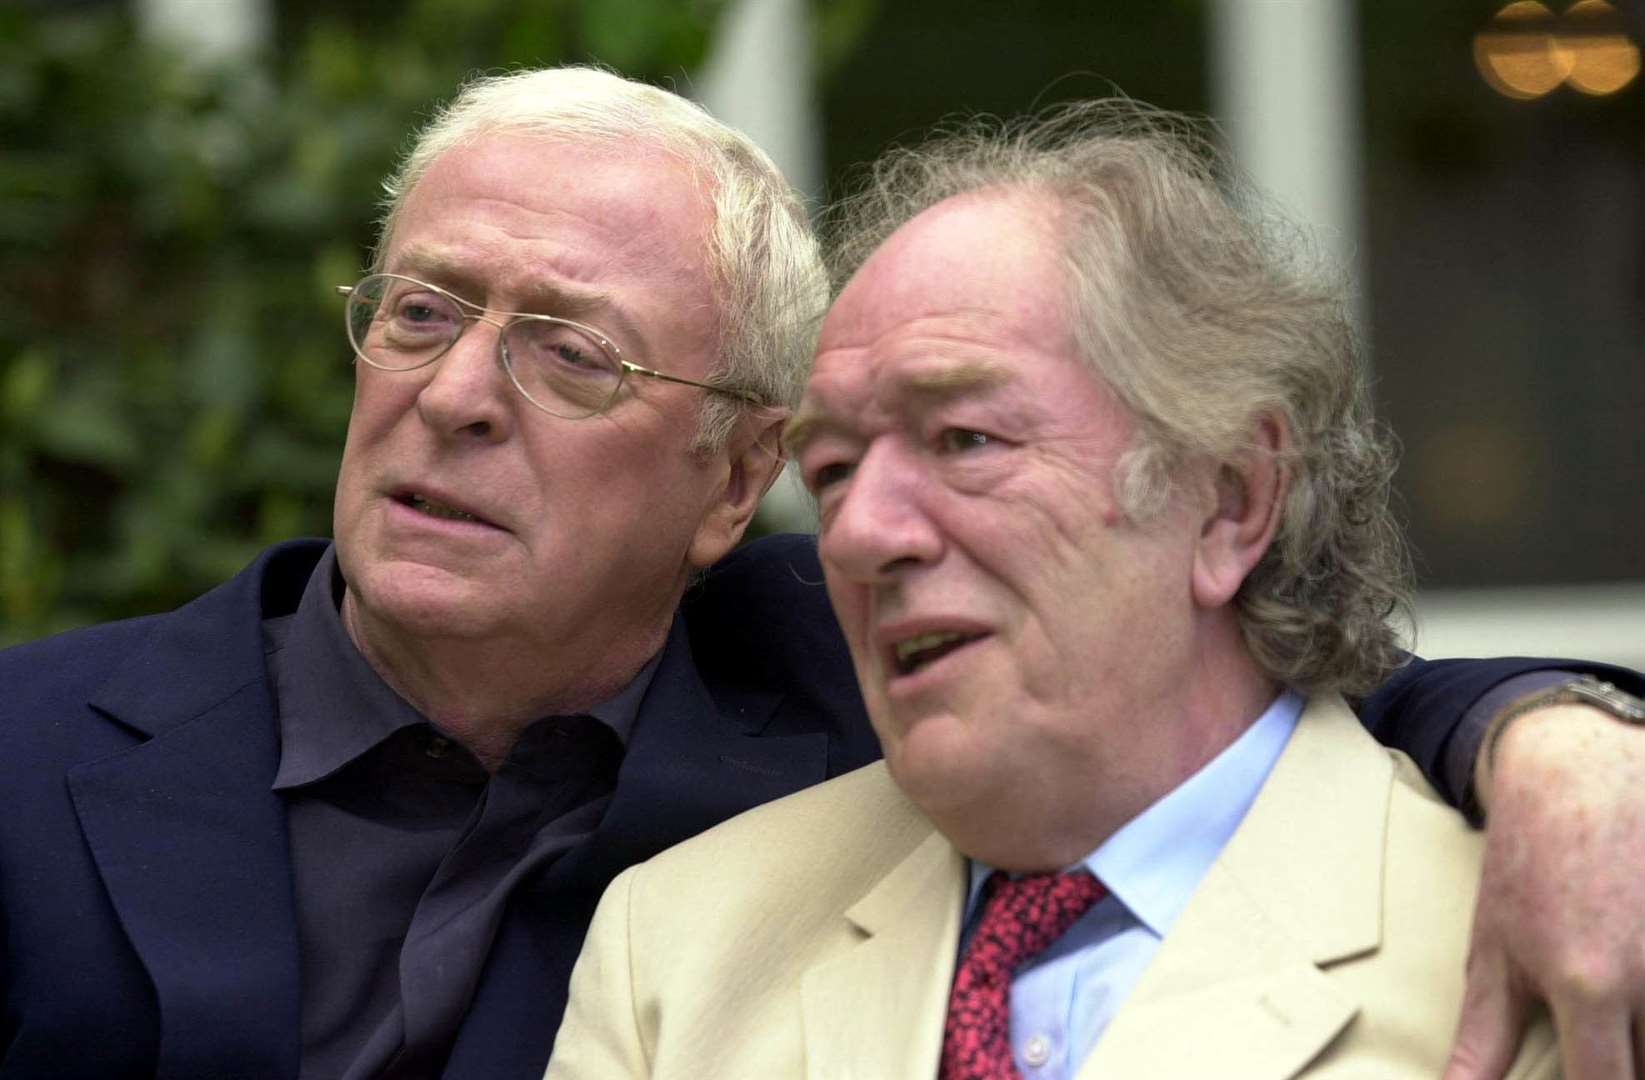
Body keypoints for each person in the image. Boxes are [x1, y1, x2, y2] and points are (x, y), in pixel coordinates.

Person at [0, 67, 1636, 1080]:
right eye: (419, 312)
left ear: (727, 487)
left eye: (572, 351)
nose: (453, 392)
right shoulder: (35, 761)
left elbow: (1248, 701)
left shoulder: (854, 681)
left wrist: (1562, 736)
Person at [546, 101, 1642, 1079]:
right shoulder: (677, 948)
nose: (863, 531)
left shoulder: (1562, 930)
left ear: (1229, 500)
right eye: (830, 472)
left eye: (967, 438)